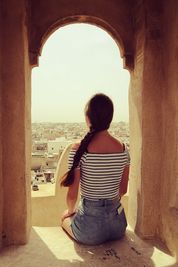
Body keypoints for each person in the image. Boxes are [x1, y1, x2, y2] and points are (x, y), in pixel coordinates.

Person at [60, 93, 130, 245]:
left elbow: (72, 196)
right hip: (118, 226)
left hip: (89, 230)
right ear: (109, 118)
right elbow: (123, 190)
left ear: (88, 118)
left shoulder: (79, 150)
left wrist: (70, 212)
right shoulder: (124, 149)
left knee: (64, 219)